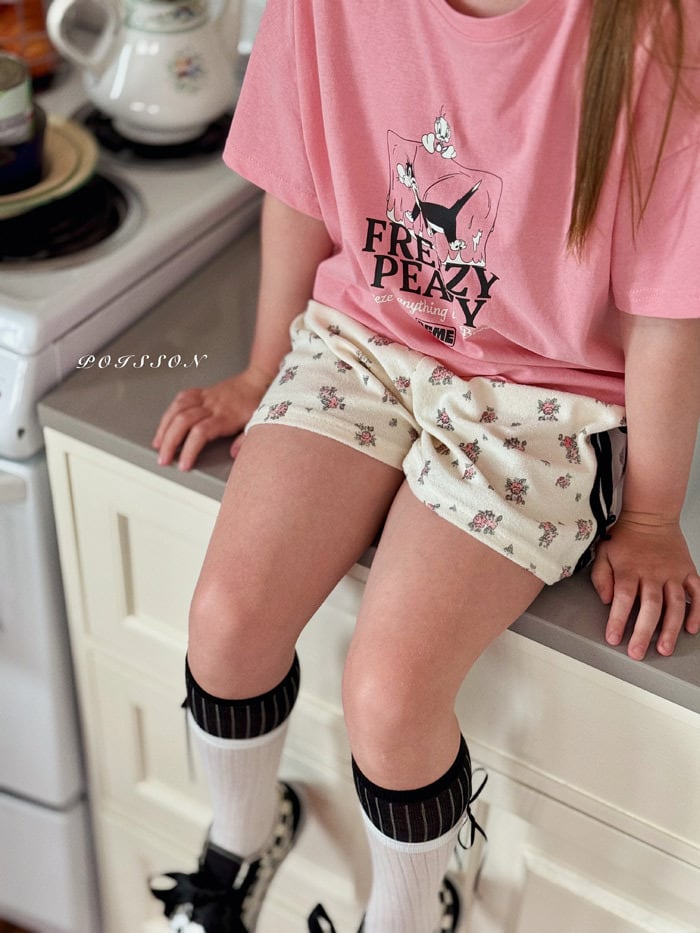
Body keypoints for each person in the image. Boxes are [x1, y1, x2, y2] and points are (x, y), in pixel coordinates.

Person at [148, 1, 700, 931]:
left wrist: (649, 516)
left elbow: (669, 305)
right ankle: (235, 849)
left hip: (545, 396)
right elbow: (300, 179)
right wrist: (260, 367)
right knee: (226, 621)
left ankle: (408, 914)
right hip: (362, 339)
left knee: (391, 695)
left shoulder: (657, 28)